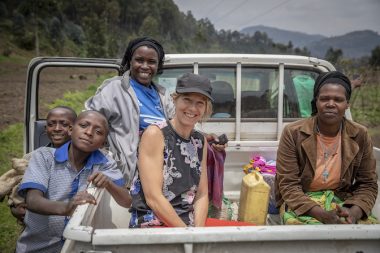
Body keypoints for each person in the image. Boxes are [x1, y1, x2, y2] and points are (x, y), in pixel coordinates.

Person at [85, 37, 225, 185]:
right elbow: (89, 123)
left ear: (158, 65)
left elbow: (177, 124)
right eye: (139, 60)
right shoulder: (115, 89)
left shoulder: (162, 95)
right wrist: (104, 158)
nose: (145, 66)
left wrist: (206, 137)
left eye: (151, 62)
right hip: (131, 171)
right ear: (130, 61)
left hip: (164, 168)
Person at [16, 110, 131, 253]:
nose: (89, 132)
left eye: (98, 132)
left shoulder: (105, 163)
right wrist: (67, 208)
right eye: (83, 126)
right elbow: (33, 201)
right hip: (39, 247)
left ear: (103, 142)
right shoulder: (44, 157)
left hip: (79, 247)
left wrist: (108, 183)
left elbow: (126, 201)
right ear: (71, 130)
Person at [275, 71, 378, 225]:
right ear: (316, 101)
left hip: (342, 200)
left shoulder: (360, 134)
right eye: (324, 99)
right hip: (301, 202)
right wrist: (322, 215)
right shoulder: (293, 132)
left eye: (338, 99)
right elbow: (288, 185)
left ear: (347, 104)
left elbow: (368, 183)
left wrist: (353, 213)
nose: (331, 104)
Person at [129, 73, 211, 227]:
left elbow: (202, 194)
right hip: (154, 222)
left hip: (187, 224)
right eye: (187, 100)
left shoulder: (200, 141)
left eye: (200, 103)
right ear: (175, 99)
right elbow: (153, 198)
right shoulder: (155, 134)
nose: (193, 108)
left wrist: (198, 234)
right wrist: (188, 236)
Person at [1, 106, 77, 224]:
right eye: (51, 124)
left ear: (74, 128)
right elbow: (15, 191)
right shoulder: (32, 157)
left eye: (64, 124)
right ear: (46, 129)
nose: (57, 128)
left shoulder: (82, 156)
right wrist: (16, 208)